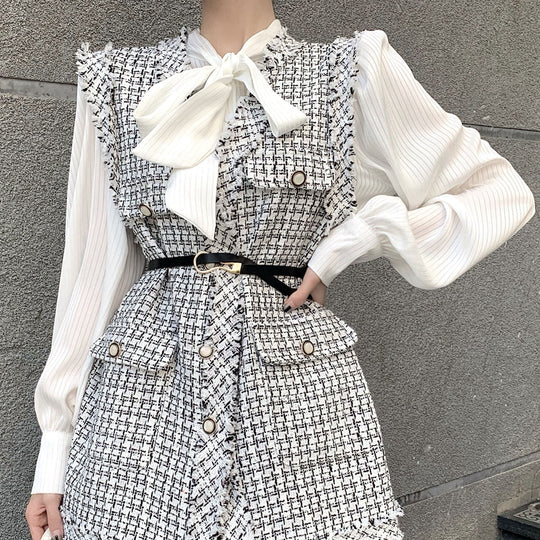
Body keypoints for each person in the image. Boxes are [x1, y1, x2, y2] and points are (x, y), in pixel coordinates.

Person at [25, 1, 536, 539]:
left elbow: (499, 193)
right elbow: (93, 271)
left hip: (298, 410)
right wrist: (54, 451)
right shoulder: (117, 83)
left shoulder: (349, 74)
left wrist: (363, 235)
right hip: (141, 411)